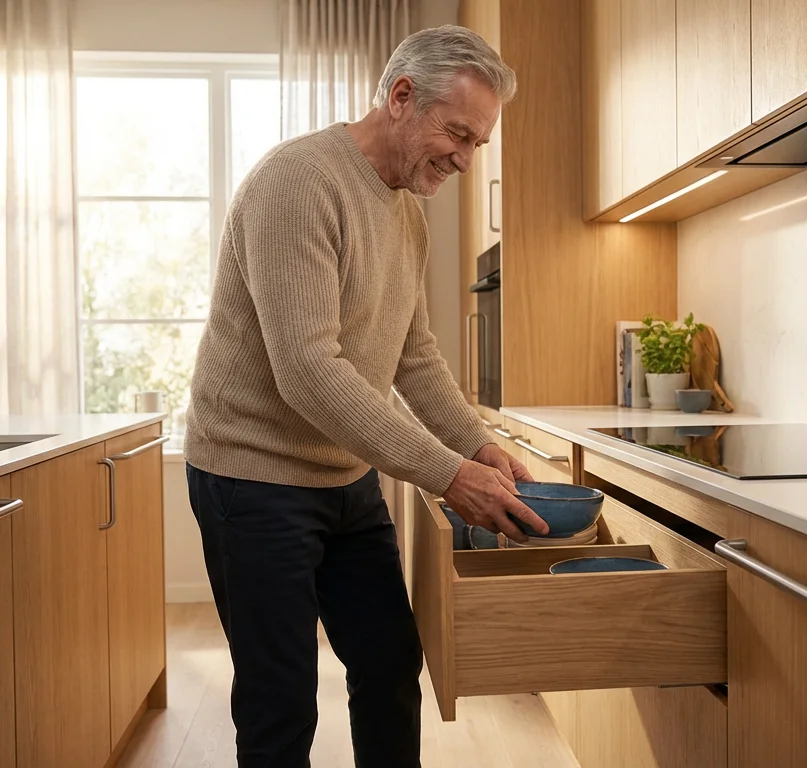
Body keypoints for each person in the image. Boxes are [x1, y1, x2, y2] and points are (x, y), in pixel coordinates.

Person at [183, 23, 547, 768]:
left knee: (388, 664)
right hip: (250, 477)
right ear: (402, 97)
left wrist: (475, 443)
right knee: (280, 698)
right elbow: (309, 369)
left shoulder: (406, 208)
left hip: (346, 478)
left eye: (478, 143)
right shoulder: (297, 183)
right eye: (457, 133)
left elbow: (413, 355)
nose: (465, 158)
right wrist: (447, 473)